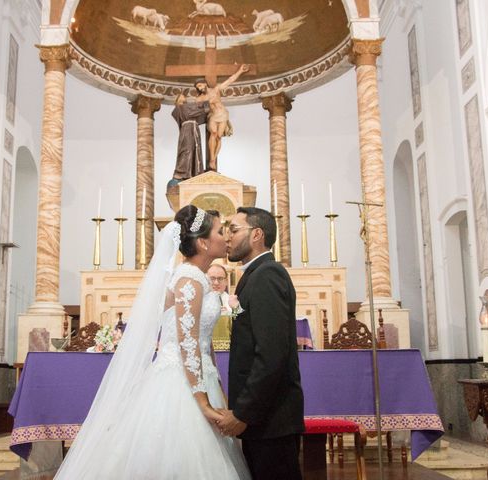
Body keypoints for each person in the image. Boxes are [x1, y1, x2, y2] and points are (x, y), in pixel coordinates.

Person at [54, 206, 250, 480]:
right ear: (203, 242)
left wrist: (214, 382)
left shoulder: (199, 279)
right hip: (179, 383)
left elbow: (202, 343)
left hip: (199, 377)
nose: (225, 236)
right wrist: (203, 403)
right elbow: (188, 342)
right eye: (219, 231)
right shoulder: (189, 279)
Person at [218, 206, 304, 480]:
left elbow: (271, 355)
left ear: (256, 234)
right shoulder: (254, 274)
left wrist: (243, 412)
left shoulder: (268, 275)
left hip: (272, 419)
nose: (227, 237)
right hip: (263, 419)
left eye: (234, 229)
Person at [195, 64, 250, 171]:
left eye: (201, 85)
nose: (200, 88)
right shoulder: (200, 99)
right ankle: (211, 159)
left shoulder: (216, 90)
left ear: (205, 84)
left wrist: (240, 71)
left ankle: (214, 159)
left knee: (219, 137)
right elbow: (196, 110)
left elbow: (229, 81)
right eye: (198, 87)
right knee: (213, 133)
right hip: (213, 116)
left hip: (223, 114)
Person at [171, 94, 210, 183]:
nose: (183, 96)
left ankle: (195, 172)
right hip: (187, 130)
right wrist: (206, 103)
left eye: (184, 95)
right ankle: (181, 172)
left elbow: (200, 115)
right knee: (186, 150)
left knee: (196, 150)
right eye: (180, 96)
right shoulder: (179, 109)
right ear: (176, 100)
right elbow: (192, 112)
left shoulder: (188, 107)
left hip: (194, 129)